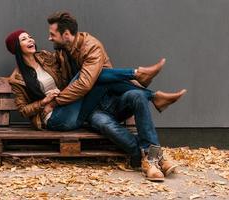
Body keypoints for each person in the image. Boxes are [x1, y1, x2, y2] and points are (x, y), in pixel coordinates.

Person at [46, 11, 187, 181]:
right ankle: (154, 156)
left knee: (133, 94)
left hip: (111, 100)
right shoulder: (62, 52)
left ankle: (151, 155)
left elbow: (84, 84)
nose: (49, 38)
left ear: (66, 34)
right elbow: (83, 83)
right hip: (90, 110)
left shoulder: (91, 46)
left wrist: (56, 101)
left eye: (52, 34)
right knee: (98, 83)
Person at [5, 30, 179, 133]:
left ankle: (148, 89)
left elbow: (65, 59)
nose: (30, 40)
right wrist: (44, 101)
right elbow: (23, 110)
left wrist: (74, 45)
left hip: (69, 105)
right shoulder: (18, 78)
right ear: (16, 48)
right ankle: (140, 78)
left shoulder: (45, 57)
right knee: (88, 74)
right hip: (54, 118)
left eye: (30, 37)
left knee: (95, 74)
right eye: (24, 39)